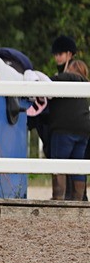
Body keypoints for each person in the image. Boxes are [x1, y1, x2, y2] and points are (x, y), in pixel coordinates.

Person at [47, 58, 90, 200]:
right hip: (83, 129)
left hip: (64, 129)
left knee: (58, 165)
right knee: (78, 167)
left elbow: (51, 81)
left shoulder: (69, 78)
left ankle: (58, 200)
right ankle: (78, 203)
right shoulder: (85, 84)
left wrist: (54, 77)